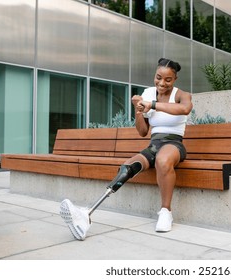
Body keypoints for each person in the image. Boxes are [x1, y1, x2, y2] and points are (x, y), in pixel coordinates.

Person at [60, 58, 193, 240]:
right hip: (154, 145)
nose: (162, 83)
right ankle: (86, 213)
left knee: (163, 160)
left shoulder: (181, 95)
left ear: (175, 79)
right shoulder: (148, 93)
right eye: (158, 77)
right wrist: (138, 109)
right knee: (127, 168)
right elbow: (143, 131)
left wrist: (152, 105)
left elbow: (185, 109)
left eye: (168, 79)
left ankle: (165, 212)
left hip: (174, 144)